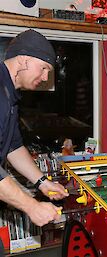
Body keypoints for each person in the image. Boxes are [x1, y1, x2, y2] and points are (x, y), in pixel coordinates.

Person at [0, 29, 69, 252]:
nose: (46, 78)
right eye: (44, 69)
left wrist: (43, 182)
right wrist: (31, 206)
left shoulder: (9, 95)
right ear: (23, 60)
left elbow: (13, 147)